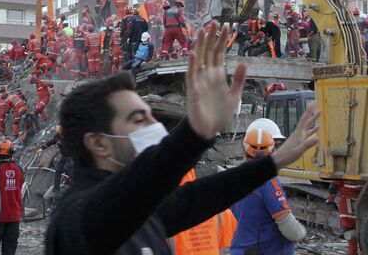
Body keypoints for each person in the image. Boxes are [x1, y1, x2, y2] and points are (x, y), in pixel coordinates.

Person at [44, 21, 320, 255]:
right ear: (99, 143)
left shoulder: (144, 211)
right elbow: (145, 182)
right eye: (138, 119)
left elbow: (198, 197)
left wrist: (277, 161)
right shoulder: (75, 220)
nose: (154, 126)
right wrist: (196, 132)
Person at [230, 128, 307, 255]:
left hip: (242, 249)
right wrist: (301, 232)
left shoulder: (232, 178)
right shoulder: (267, 181)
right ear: (273, 151)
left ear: (243, 151)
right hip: (265, 250)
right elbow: (290, 229)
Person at [0, 140, 24, 255]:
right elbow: (20, 185)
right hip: (14, 215)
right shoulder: (19, 169)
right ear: (12, 152)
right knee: (10, 249)